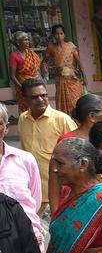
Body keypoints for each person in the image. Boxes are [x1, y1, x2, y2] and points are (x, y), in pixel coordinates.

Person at [18, 79, 75, 212]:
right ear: (25, 100)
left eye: (43, 95)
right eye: (34, 97)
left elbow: (76, 153)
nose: (40, 99)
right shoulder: (22, 119)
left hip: (57, 192)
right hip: (31, 191)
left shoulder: (62, 119)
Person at [43, 25, 85, 116]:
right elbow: (45, 61)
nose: (59, 36)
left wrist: (84, 77)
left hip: (72, 78)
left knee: (75, 100)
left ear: (64, 35)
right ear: (53, 35)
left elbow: (79, 61)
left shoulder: (71, 46)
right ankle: (65, 121)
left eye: (61, 33)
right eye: (57, 34)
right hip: (60, 79)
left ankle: (77, 122)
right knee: (62, 101)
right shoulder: (51, 47)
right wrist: (46, 70)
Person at [9, 32, 41, 113]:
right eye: (25, 40)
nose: (28, 42)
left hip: (35, 86)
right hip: (22, 88)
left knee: (38, 108)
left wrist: (39, 82)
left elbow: (37, 70)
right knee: (25, 111)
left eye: (28, 40)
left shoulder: (31, 53)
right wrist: (22, 88)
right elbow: (12, 76)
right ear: (18, 42)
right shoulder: (14, 56)